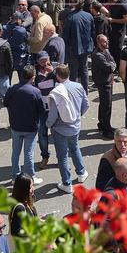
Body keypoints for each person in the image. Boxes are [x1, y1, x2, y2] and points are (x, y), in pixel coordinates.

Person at [47, 64, 89, 193]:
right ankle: (81, 173)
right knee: (75, 148)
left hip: (60, 129)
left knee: (62, 156)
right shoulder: (78, 86)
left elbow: (53, 114)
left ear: (57, 76)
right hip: (75, 127)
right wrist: (77, 116)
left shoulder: (56, 92)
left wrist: (48, 125)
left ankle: (66, 183)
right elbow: (86, 105)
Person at [5, 64, 45, 185]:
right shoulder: (36, 92)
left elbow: (5, 103)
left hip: (15, 126)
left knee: (15, 152)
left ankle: (14, 176)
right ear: (32, 77)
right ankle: (30, 177)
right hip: (30, 127)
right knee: (29, 153)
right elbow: (42, 110)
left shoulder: (12, 89)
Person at [95, 128, 127, 192]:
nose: (122, 145)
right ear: (114, 141)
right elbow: (100, 186)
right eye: (119, 141)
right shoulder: (107, 159)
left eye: (125, 141)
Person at [91, 34, 117, 138]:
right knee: (106, 105)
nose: (106, 43)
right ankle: (106, 129)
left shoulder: (105, 51)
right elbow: (108, 67)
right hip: (104, 82)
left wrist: (112, 66)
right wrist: (112, 66)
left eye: (107, 41)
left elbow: (113, 62)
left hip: (108, 81)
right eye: (104, 42)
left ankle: (102, 124)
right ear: (99, 43)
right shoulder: (97, 54)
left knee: (104, 103)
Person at [9, 173, 39, 238]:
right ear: (24, 190)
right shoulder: (19, 208)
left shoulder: (27, 201)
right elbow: (16, 232)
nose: (33, 188)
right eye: (31, 187)